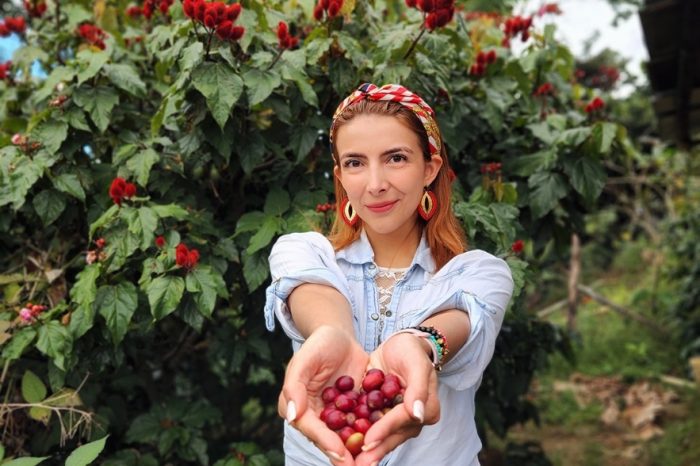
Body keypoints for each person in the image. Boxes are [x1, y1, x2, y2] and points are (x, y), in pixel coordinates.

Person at [264, 83, 514, 466]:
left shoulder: (479, 273)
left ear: (430, 169)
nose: (376, 183)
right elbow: (315, 296)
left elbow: (459, 319)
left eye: (396, 158)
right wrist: (334, 335)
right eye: (355, 162)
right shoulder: (303, 252)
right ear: (341, 176)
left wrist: (419, 344)